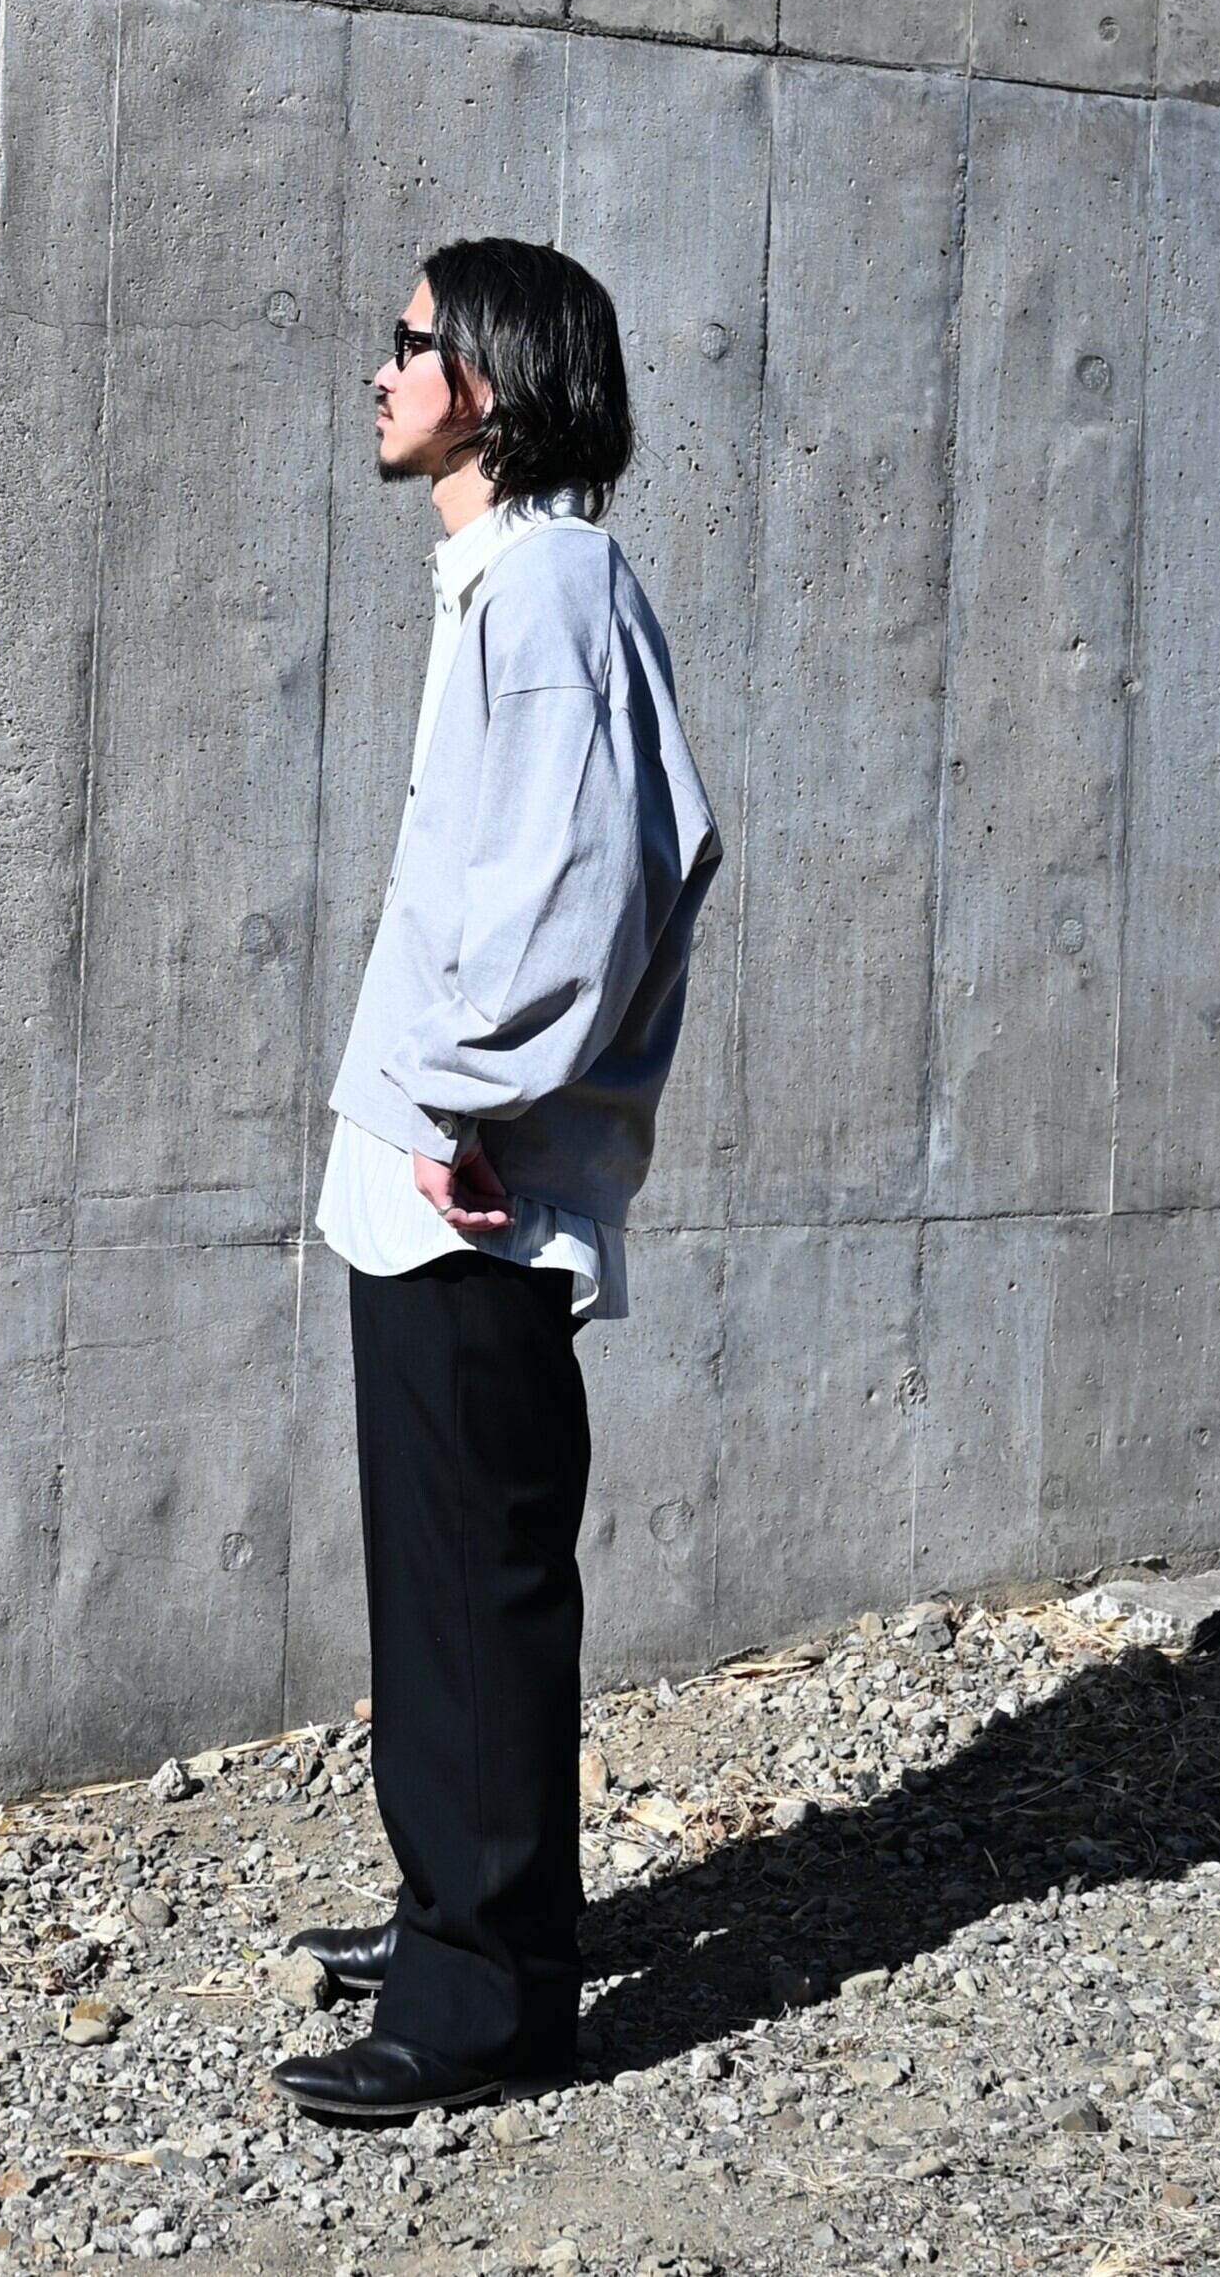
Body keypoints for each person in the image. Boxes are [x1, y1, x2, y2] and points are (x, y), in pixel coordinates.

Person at [266, 238, 723, 2120]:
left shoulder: (548, 587)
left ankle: (487, 2002)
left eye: (408, 343)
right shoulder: (504, 585)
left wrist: (462, 1104)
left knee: (477, 1582)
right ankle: (461, 1909)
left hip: (469, 1175)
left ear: (495, 379)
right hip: (434, 1164)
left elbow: (584, 887)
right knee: (441, 1575)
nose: (377, 372)